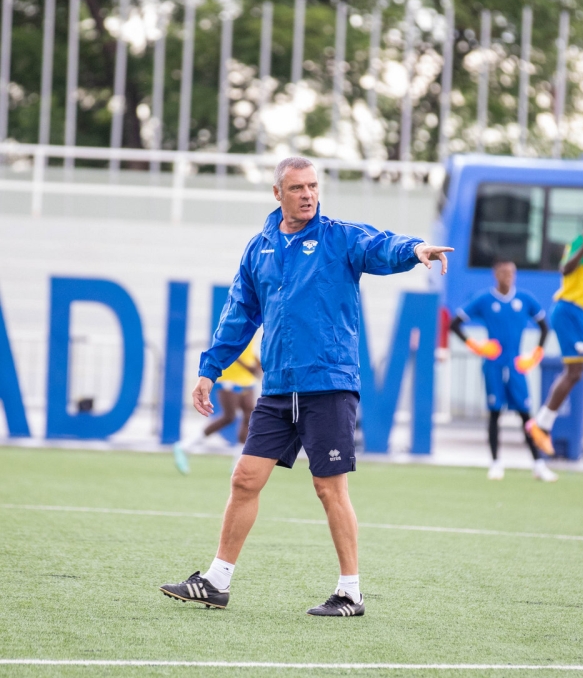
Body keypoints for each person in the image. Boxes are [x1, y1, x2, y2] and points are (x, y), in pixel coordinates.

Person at [158, 157, 452, 616]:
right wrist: (209, 369)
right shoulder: (260, 249)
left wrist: (415, 251)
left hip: (329, 384)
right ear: (278, 194)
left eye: (313, 186)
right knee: (244, 479)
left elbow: (380, 246)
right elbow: (239, 314)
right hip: (278, 388)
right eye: (297, 187)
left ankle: (350, 593)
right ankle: (217, 581)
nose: (309, 195)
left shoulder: (339, 237)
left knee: (328, 488)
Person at [450, 260, 556, 482]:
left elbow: (545, 326)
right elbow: (455, 324)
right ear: (495, 274)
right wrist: (476, 345)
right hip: (493, 365)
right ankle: (496, 463)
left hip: (516, 366)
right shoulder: (484, 299)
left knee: (526, 415)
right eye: (504, 272)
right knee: (495, 413)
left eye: (512, 272)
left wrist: (535, 354)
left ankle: (538, 465)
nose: (509, 276)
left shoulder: (525, 299)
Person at [525, 212, 583, 455]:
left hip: (577, 314)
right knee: (573, 371)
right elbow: (565, 269)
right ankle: (540, 425)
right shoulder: (581, 243)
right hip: (569, 311)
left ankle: (542, 424)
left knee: (575, 372)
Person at [172, 339, 261, 475]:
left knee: (249, 415)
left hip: (246, 378)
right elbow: (228, 348)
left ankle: (238, 462)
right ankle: (185, 446)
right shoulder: (235, 320)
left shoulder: (254, 323)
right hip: (230, 376)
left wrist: (256, 363)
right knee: (229, 416)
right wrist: (248, 367)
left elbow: (247, 350)